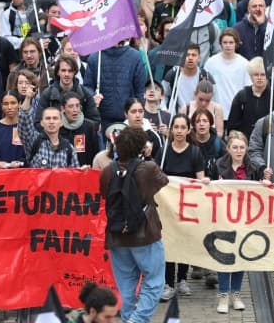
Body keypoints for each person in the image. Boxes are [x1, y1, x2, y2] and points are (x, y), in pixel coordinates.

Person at [99, 126, 167, 323]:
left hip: (117, 236)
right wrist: (148, 158)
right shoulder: (148, 169)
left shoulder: (106, 172)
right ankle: (136, 320)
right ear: (141, 147)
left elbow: (105, 195)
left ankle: (130, 318)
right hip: (145, 235)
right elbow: (163, 181)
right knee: (154, 282)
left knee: (126, 286)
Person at [156, 114, 206, 301]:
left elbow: (200, 178)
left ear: (188, 130)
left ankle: (182, 279)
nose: (178, 131)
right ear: (171, 130)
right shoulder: (163, 152)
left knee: (184, 241)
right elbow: (156, 175)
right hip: (167, 207)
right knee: (169, 243)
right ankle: (168, 283)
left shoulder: (194, 152)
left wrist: (205, 182)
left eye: (182, 127)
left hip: (187, 207)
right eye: (175, 127)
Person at [214, 130, 254, 313]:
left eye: (242, 147)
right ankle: (223, 294)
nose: (239, 151)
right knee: (224, 256)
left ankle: (236, 293)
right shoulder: (217, 166)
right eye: (235, 147)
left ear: (247, 149)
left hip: (246, 218)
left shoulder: (253, 168)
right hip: (223, 217)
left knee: (240, 256)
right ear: (228, 149)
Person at [18, 83, 79, 168]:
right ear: (42, 122)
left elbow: (74, 175)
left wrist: (81, 172)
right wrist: (28, 98)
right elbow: (24, 121)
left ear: (61, 123)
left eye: (55, 118)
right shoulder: (33, 140)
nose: (51, 121)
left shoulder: (69, 148)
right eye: (47, 118)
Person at [204, 29, 250, 121]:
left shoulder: (244, 63)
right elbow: (205, 87)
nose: (228, 45)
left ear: (236, 43)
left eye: (231, 42)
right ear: (220, 43)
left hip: (237, 112)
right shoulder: (211, 62)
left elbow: (248, 89)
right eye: (225, 42)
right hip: (215, 112)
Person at [59, 91, 100, 167]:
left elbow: (95, 153)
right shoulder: (58, 127)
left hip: (84, 172)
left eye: (77, 106)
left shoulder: (89, 126)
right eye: (71, 106)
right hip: (63, 172)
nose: (75, 110)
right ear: (63, 108)